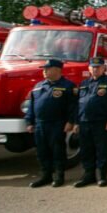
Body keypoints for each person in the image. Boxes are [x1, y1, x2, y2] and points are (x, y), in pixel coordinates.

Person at [25, 59, 77, 188]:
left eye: (47, 69)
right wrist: (29, 121)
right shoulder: (38, 86)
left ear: (57, 70)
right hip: (40, 124)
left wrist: (71, 122)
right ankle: (45, 176)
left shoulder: (68, 86)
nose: (44, 71)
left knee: (57, 151)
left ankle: (59, 176)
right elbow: (31, 105)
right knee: (42, 151)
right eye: (44, 69)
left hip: (57, 124)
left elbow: (73, 106)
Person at [73, 57, 107, 187]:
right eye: (93, 67)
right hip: (84, 122)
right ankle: (89, 176)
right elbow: (78, 104)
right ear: (89, 69)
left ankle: (102, 176)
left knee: (101, 150)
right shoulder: (83, 84)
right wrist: (76, 122)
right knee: (86, 150)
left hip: (101, 123)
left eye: (98, 67)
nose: (95, 69)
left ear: (104, 68)